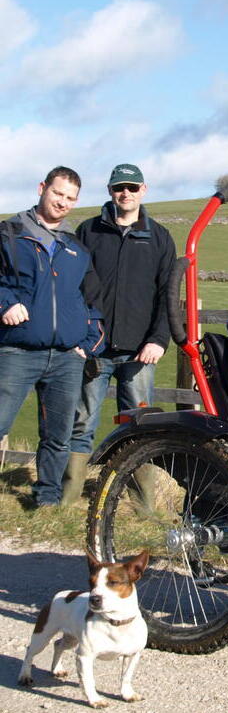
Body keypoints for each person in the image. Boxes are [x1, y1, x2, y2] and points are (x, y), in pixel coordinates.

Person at [61, 163, 177, 506]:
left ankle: (143, 506)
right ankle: (68, 499)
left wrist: (158, 339)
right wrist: (79, 339)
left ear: (144, 190)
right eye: (118, 188)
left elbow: (167, 294)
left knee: (139, 426)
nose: (125, 193)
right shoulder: (88, 231)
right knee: (81, 421)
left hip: (140, 352)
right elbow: (73, 288)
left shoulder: (159, 237)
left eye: (131, 187)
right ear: (110, 191)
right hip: (93, 349)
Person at [0, 167, 104, 507]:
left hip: (65, 357)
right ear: (43, 188)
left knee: (59, 435)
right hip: (17, 349)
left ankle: (47, 499)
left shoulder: (76, 247)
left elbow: (92, 299)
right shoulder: (10, 233)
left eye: (70, 198)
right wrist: (6, 302)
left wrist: (86, 343)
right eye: (58, 193)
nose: (62, 202)